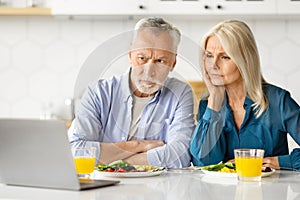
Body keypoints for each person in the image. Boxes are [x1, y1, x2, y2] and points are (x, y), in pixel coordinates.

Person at [68, 17, 195, 168]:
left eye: (160, 61)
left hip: (156, 189)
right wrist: (139, 145)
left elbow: (180, 157)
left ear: (173, 63)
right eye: (142, 58)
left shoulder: (180, 93)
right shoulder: (98, 92)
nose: (149, 72)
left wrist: (115, 163)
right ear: (130, 55)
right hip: (103, 188)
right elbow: (75, 151)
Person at [190, 20, 300, 170]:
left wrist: (281, 162)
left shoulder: (278, 101)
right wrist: (214, 102)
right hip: (221, 193)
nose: (213, 65)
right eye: (209, 56)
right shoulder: (209, 105)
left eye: (225, 57)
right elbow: (202, 162)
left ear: (245, 60)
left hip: (270, 191)